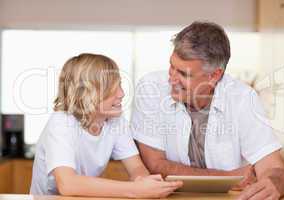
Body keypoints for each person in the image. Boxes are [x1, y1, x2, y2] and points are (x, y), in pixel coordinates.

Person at [131, 21, 284, 200]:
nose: (172, 79)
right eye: (171, 67)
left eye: (184, 74)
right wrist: (230, 177)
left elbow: (274, 168)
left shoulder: (243, 98)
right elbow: (155, 165)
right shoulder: (150, 88)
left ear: (214, 75)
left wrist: (274, 183)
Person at [30, 53, 182, 198]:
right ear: (86, 93)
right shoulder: (62, 121)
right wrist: (135, 190)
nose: (121, 94)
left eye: (120, 85)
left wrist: (144, 182)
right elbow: (67, 185)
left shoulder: (116, 120)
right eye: (113, 88)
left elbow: (136, 167)